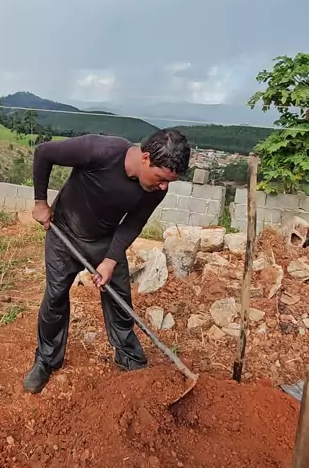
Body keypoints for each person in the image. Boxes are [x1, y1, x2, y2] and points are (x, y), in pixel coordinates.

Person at [24, 129, 190, 393]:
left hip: (105, 241)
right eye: (161, 178)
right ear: (146, 158)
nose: (164, 187)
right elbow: (44, 153)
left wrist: (111, 259)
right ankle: (46, 360)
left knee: (119, 299)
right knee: (55, 297)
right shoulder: (100, 151)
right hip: (63, 232)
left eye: (169, 182)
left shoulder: (155, 189)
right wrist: (40, 202)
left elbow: (134, 222)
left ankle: (129, 357)